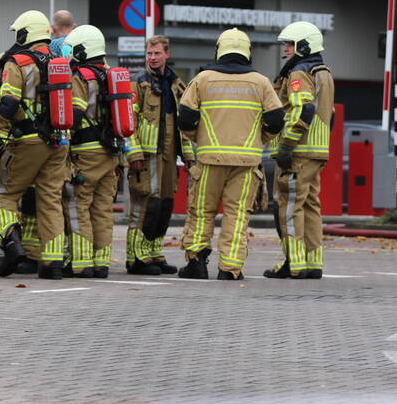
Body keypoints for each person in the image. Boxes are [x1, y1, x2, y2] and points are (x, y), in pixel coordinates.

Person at [176, 28, 285, 280]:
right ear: (247, 52)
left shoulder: (202, 80)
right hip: (247, 163)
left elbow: (185, 119)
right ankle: (230, 269)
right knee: (237, 217)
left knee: (201, 212)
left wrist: (199, 138)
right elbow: (277, 119)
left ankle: (196, 264)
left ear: (219, 49)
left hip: (208, 160)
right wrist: (260, 139)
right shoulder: (261, 82)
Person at [0, 10, 69, 280]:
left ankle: (12, 244)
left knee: (4, 195)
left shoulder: (16, 62)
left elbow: (8, 102)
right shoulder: (60, 61)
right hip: (59, 141)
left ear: (25, 33)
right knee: (51, 201)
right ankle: (53, 263)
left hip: (27, 140)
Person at [264, 21, 334, 280]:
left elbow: (302, 110)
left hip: (298, 152)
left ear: (304, 45)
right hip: (317, 151)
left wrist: (286, 145)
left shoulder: (299, 73)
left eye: (290, 44)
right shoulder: (324, 71)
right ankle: (313, 262)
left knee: (289, 206)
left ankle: (293, 263)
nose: (286, 49)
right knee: (311, 206)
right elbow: (330, 113)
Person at [124, 35, 194, 275]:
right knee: (146, 204)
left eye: (157, 53)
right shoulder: (138, 83)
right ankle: (136, 258)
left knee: (164, 204)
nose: (152, 58)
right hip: (146, 153)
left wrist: (188, 154)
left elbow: (183, 123)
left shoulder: (176, 84)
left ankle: (154, 253)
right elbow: (128, 121)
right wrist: (133, 154)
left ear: (167, 54)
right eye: (149, 54)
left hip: (168, 154)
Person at [62, 25, 119, 279]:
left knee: (78, 205)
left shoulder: (81, 77)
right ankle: (101, 262)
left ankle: (81, 262)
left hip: (86, 151)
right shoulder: (111, 75)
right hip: (111, 152)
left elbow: (74, 116)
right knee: (103, 209)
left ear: (83, 49)